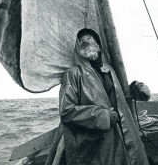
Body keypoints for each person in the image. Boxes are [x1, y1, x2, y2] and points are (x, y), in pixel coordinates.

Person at [59, 28, 150, 165]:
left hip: (122, 138)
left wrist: (135, 88)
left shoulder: (110, 70)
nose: (86, 42)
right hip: (96, 145)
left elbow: (118, 96)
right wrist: (103, 116)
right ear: (78, 48)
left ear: (99, 46)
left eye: (90, 39)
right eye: (82, 41)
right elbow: (66, 111)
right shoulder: (72, 74)